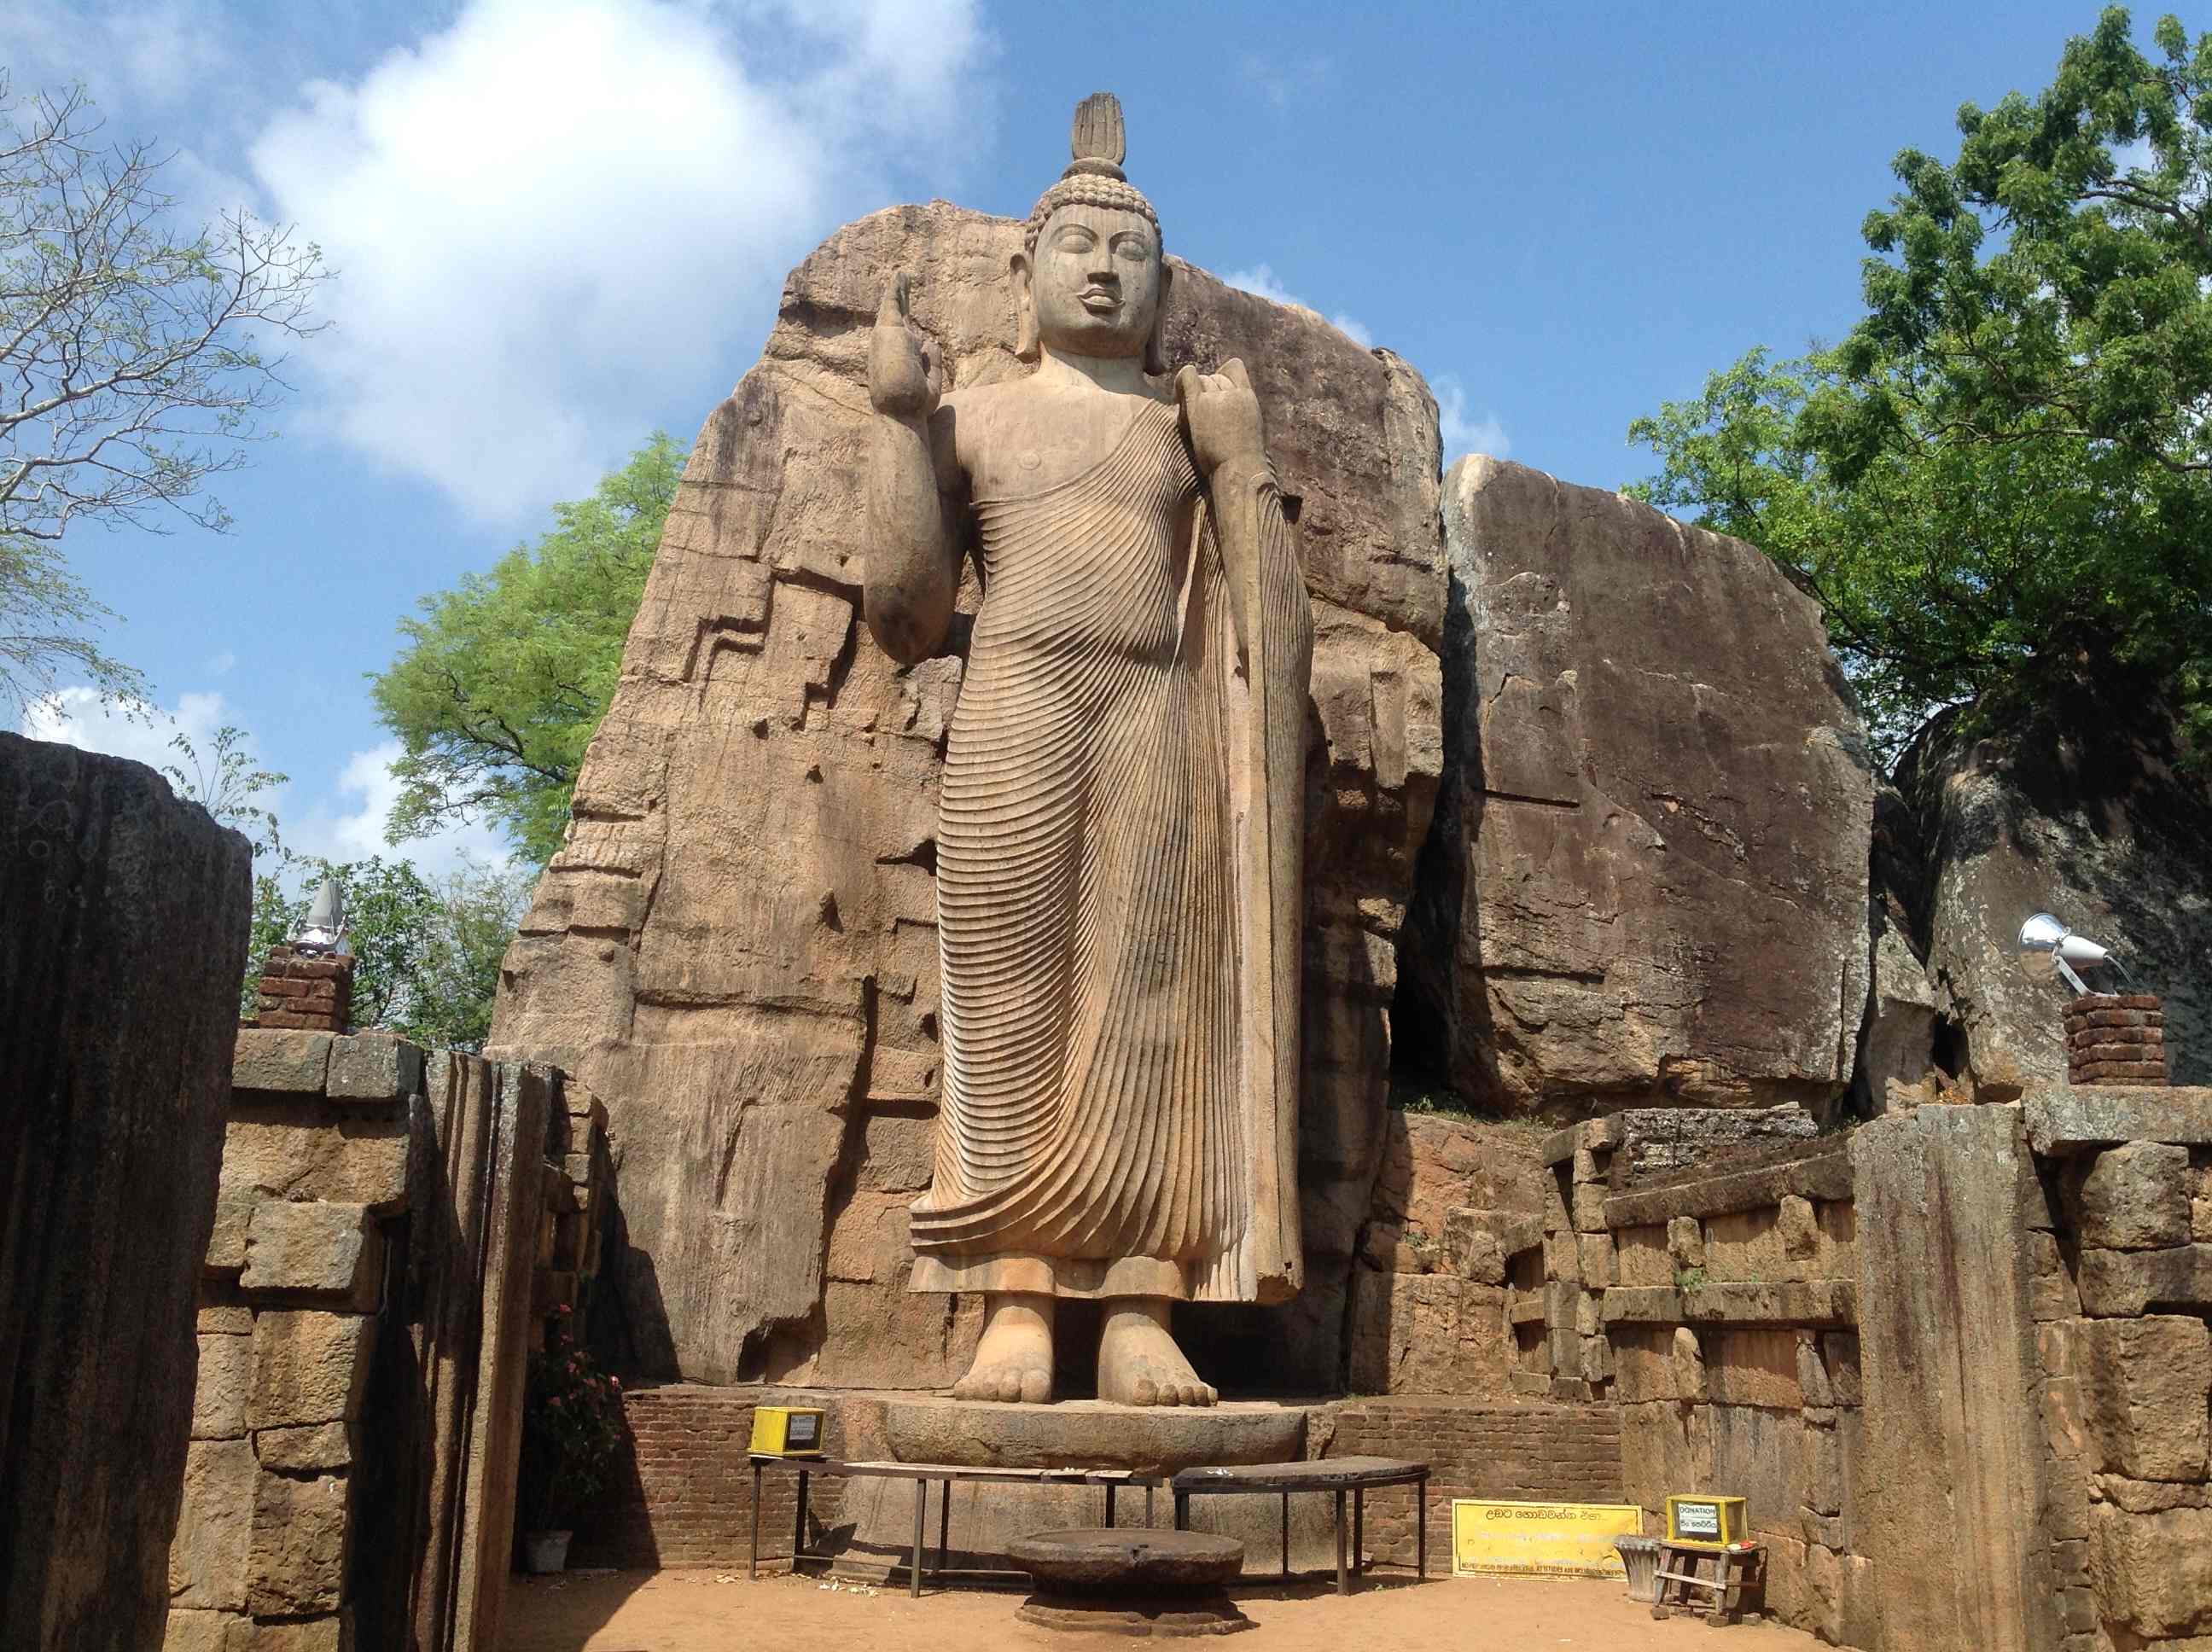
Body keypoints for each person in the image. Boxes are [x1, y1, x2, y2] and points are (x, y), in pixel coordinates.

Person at [864, 93, 1312, 1408]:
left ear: (1164, 283)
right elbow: (901, 611)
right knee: (1006, 992)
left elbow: (1271, 625)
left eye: (1133, 254)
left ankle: (1134, 1299)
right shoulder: (979, 417)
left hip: (1158, 721)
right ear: (1028, 271)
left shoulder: (1187, 422)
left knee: (1149, 1003)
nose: (1107, 269)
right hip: (1018, 703)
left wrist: (1239, 467)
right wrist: (900, 424)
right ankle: (1013, 1290)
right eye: (1081, 247)